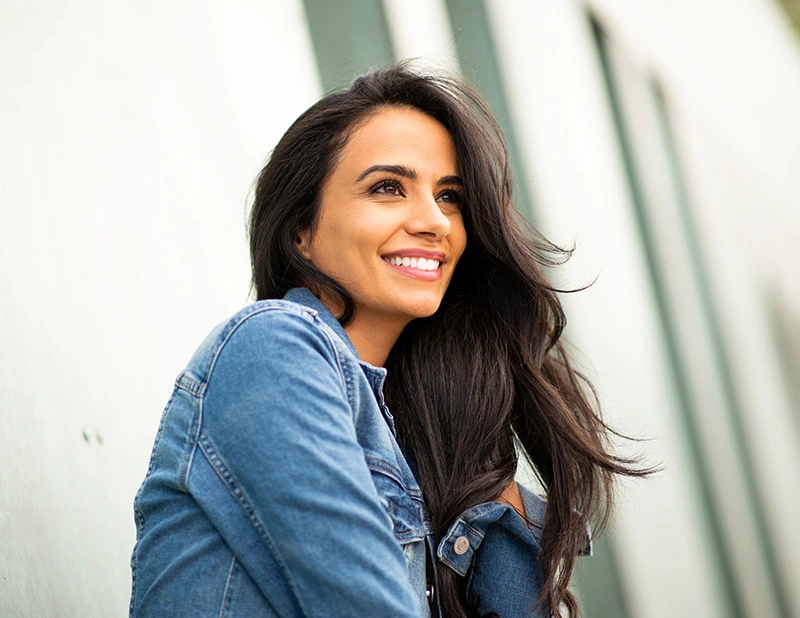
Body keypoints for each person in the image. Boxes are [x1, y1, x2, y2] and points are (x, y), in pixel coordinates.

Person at [129, 65, 648, 618]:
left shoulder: (410, 433)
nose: (435, 221)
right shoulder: (273, 347)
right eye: (387, 188)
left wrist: (502, 524)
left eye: (450, 197)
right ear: (300, 231)